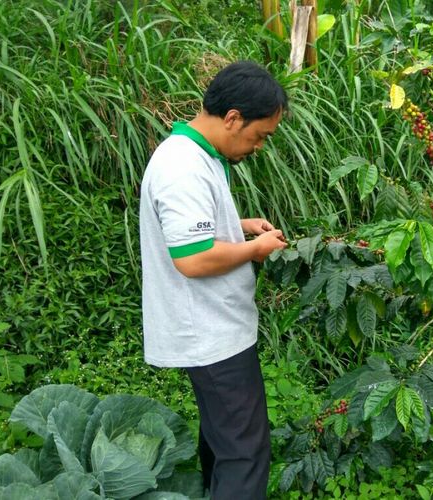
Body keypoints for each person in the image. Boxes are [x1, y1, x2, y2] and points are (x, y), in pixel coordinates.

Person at [139, 60, 288, 499]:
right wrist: (256, 250)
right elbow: (194, 258)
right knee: (245, 452)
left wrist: (238, 225)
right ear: (232, 118)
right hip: (209, 335)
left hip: (213, 329)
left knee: (224, 443)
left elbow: (191, 228)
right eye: (260, 135)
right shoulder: (182, 166)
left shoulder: (196, 154)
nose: (259, 146)